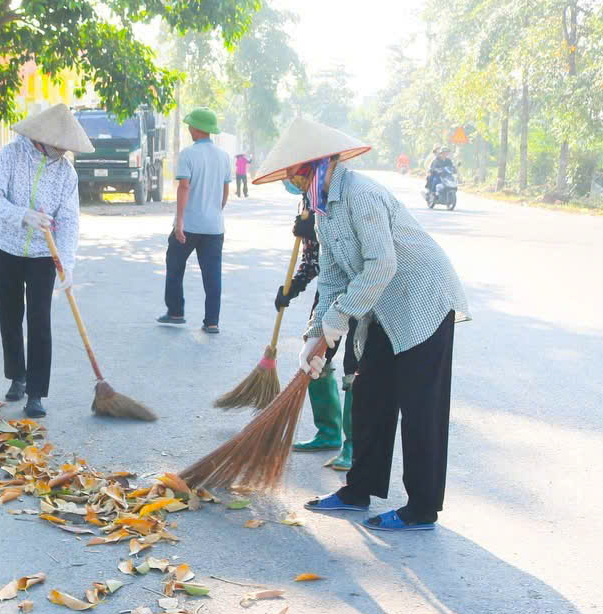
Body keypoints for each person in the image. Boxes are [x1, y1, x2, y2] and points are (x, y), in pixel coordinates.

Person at [253, 116, 468, 532]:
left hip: (423, 301)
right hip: (383, 306)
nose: (292, 182)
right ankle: (358, 490)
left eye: (294, 173)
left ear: (315, 165)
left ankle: (421, 509)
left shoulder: (361, 194)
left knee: (421, 408)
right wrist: (316, 334)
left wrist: (336, 323)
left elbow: (382, 264)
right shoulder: (323, 209)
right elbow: (332, 277)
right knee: (370, 395)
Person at [0, 104, 90, 418]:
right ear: (43, 138)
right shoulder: (11, 155)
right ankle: (17, 376)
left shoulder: (66, 172)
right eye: (61, 144)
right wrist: (23, 216)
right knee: (10, 316)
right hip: (5, 247)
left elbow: (69, 221)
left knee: (40, 321)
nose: (64, 151)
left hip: (44, 255)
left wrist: (67, 264)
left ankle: (36, 393)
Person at [274, 199, 351, 468]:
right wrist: (294, 286)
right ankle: (328, 432)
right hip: (330, 288)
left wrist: (318, 229)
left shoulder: (341, 195)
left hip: (361, 285)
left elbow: (350, 246)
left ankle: (353, 445)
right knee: (317, 355)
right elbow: (313, 260)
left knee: (356, 365)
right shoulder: (307, 201)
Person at [157, 107, 232, 334]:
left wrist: (179, 222)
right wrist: (215, 210)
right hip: (214, 227)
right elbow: (225, 190)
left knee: (174, 265)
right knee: (212, 274)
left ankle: (176, 312)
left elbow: (184, 187)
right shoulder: (223, 156)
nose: (189, 128)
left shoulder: (188, 154)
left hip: (189, 225)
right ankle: (212, 322)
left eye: (190, 125)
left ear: (197, 129)